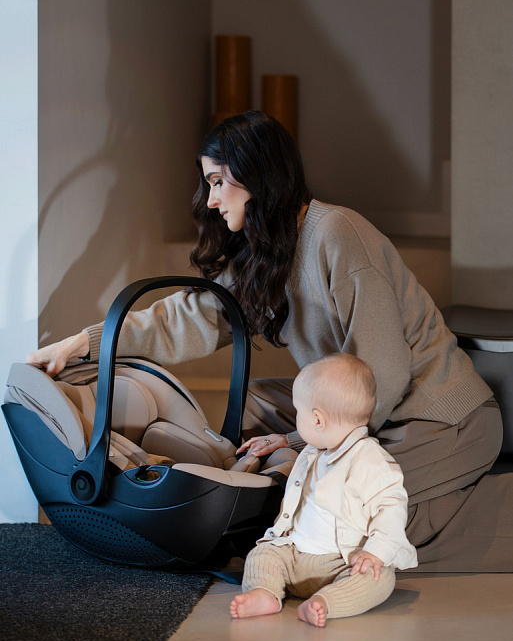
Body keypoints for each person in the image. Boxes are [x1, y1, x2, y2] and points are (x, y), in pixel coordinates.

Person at [28, 110, 508, 571]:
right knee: (257, 407)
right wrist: (88, 342)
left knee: (354, 525)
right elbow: (189, 318)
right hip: (360, 409)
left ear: (256, 176)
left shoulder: (338, 234)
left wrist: (301, 439)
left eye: (218, 181)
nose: (211, 200)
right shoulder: (269, 252)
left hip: (436, 418)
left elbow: (384, 373)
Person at [230, 354, 417, 627]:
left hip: (339, 563)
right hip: (293, 553)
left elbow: (392, 507)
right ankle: (264, 592)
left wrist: (375, 552)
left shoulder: (371, 460)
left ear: (317, 420)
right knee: (262, 554)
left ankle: (326, 602)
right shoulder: (314, 451)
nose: (297, 419)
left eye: (299, 412)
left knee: (378, 577)